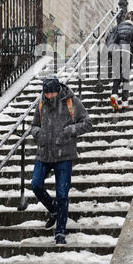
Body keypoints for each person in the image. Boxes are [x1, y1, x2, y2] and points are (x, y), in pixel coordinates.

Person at [31, 75, 93, 246]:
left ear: (58, 90)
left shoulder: (71, 102)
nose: (49, 96)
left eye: (51, 93)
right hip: (44, 153)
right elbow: (34, 126)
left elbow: (88, 123)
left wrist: (70, 130)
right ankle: (54, 210)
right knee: (35, 185)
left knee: (62, 194)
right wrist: (39, 134)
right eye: (46, 93)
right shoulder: (41, 103)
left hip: (64, 154)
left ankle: (60, 233)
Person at [110, 10, 133, 111]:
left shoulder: (117, 28)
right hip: (126, 53)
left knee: (117, 76)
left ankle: (114, 94)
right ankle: (124, 102)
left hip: (116, 52)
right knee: (126, 78)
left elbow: (111, 40)